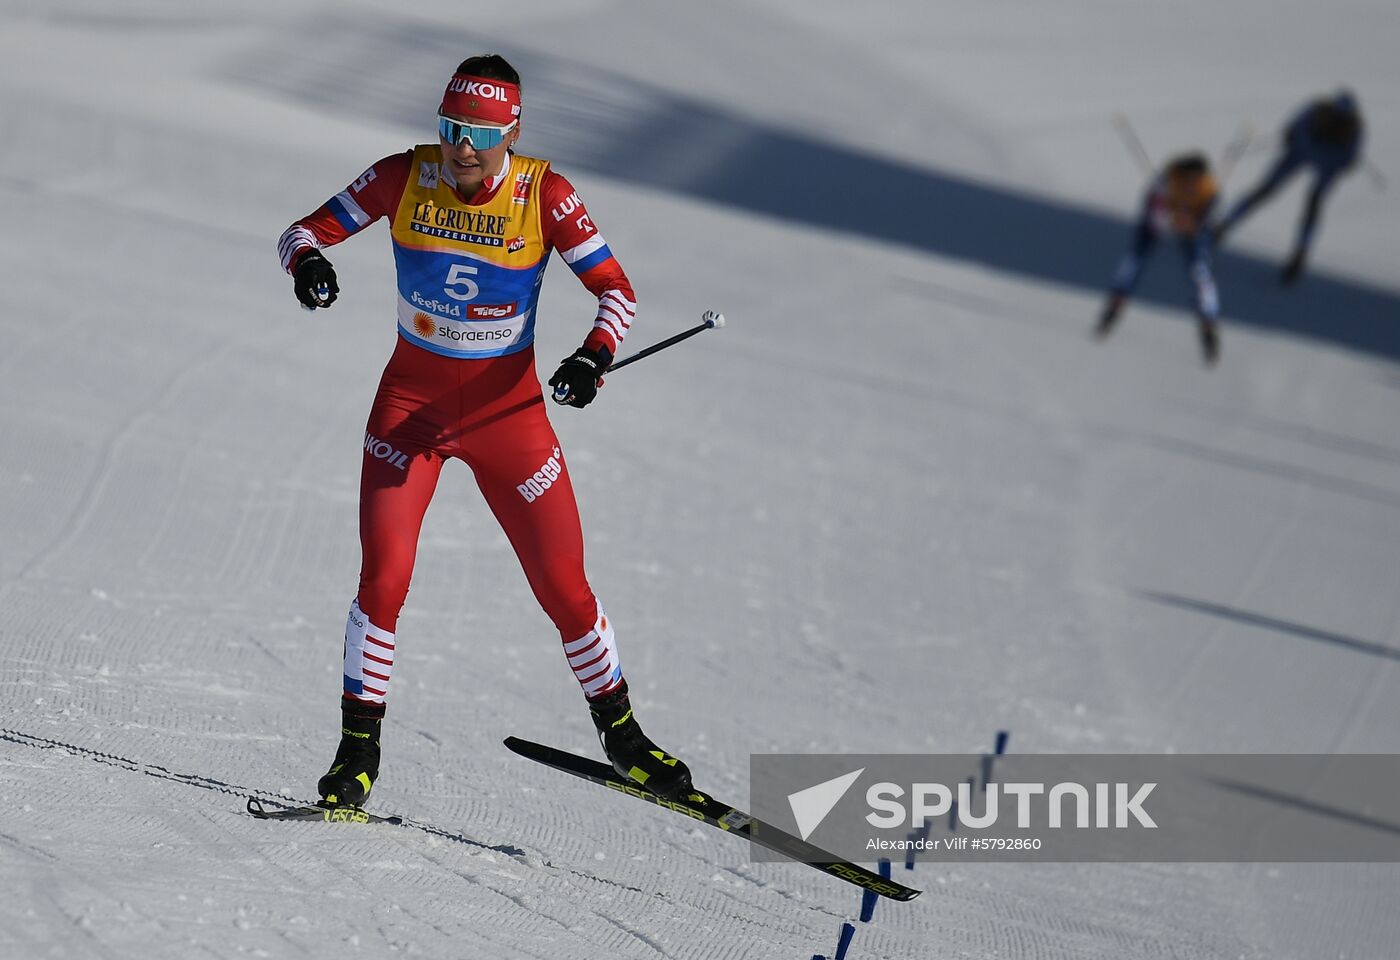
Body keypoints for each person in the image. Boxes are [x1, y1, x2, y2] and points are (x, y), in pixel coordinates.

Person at [276, 54, 694, 806]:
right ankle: (356, 753)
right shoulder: (403, 177)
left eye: (478, 133)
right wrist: (309, 266)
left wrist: (592, 358)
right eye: (449, 128)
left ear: (511, 132)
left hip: (510, 421)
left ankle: (625, 737)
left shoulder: (546, 193)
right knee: (384, 579)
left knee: (564, 585)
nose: (461, 148)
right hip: (410, 413)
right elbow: (299, 233)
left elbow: (616, 291)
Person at [1213, 91, 1364, 284]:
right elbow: (1347, 154)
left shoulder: (1331, 117)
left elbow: (1295, 129)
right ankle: (1227, 225)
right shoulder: (1342, 121)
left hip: (1311, 155)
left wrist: (1293, 138)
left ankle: (1226, 225)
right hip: (1317, 157)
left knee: (1293, 200)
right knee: (1281, 196)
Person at [1095, 152, 1222, 366]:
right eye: (1188, 179)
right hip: (1161, 223)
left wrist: (1193, 224)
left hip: (1191, 231)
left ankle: (1208, 328)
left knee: (1201, 273)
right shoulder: (1166, 181)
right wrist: (1171, 219)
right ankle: (1112, 311)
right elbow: (1152, 212)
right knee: (1133, 261)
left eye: (1196, 179)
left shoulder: (1208, 188)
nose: (1192, 184)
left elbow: (1210, 216)